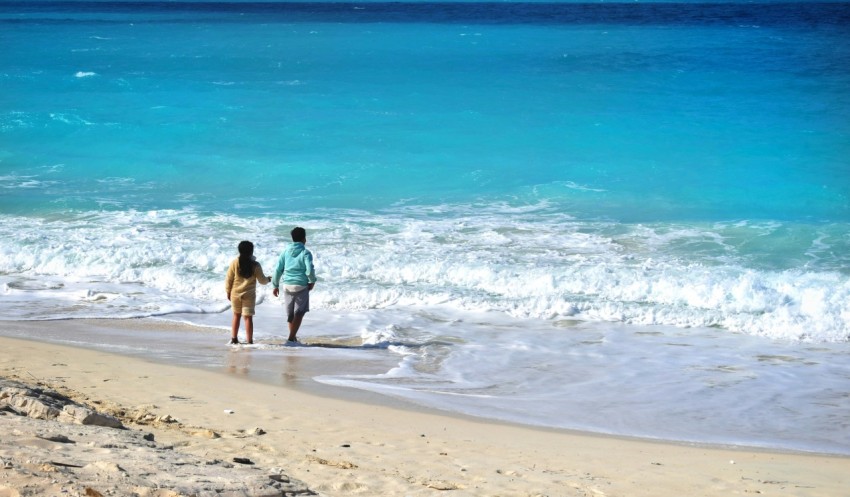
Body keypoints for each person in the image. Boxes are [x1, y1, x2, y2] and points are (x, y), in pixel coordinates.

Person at [272, 227, 317, 342]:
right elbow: (309, 270)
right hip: (301, 286)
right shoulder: (305, 252)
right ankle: (291, 338)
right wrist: (312, 281)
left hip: (287, 286)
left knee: (290, 314)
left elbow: (278, 270)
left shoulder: (285, 252)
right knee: (299, 313)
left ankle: (293, 338)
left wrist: (275, 285)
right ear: (304, 239)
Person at [225, 240, 271, 345]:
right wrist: (269, 279)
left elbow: (229, 279)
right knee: (248, 318)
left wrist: (228, 291)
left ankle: (234, 339)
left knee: (236, 315)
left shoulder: (235, 262)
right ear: (251, 251)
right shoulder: (255, 265)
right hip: (249, 296)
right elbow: (262, 281)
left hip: (235, 294)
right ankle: (250, 341)